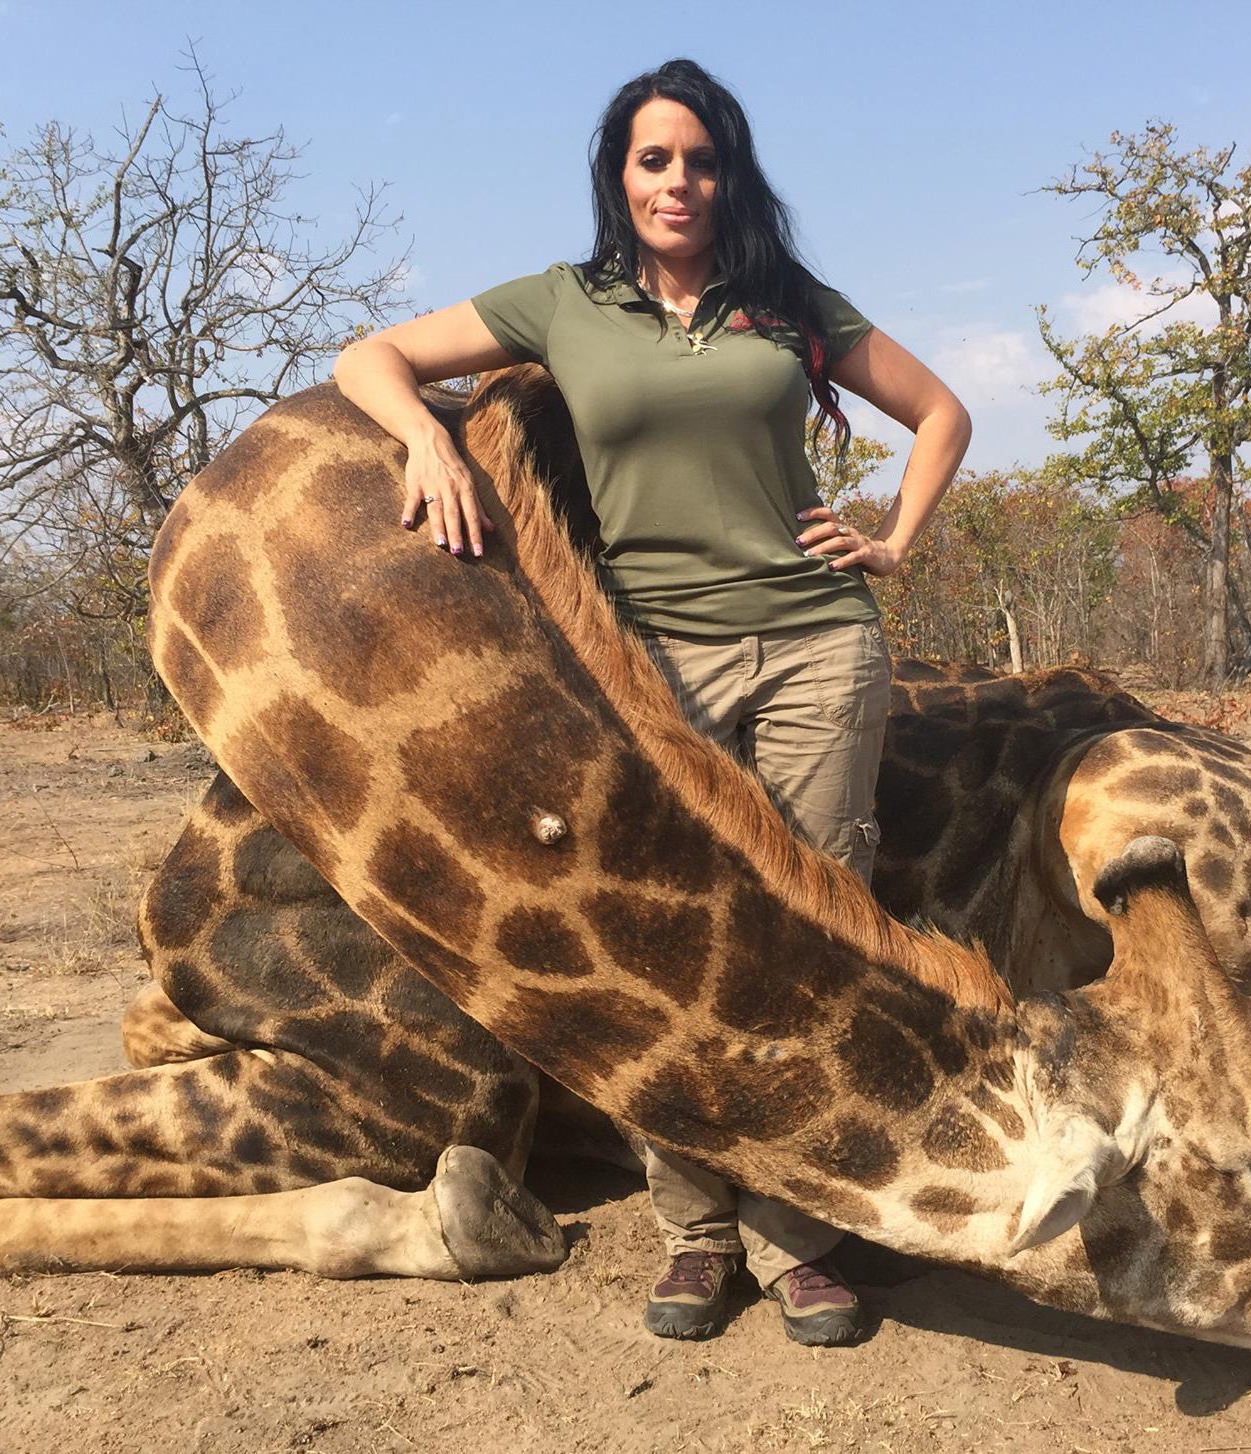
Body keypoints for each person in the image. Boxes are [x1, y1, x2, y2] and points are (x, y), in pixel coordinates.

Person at [333, 58, 970, 1348]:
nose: (678, 182)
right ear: (618, 176)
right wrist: (425, 437)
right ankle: (694, 1227)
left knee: (809, 930)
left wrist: (895, 537)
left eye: (701, 159)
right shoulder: (564, 303)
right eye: (653, 159)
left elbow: (942, 410)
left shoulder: (787, 304)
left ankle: (800, 1235)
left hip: (814, 648)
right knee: (676, 936)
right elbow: (372, 354)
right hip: (650, 662)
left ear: (731, 174)